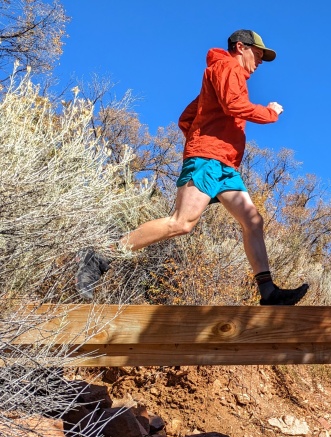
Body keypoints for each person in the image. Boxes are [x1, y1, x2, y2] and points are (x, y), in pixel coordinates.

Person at [76, 29, 309, 306]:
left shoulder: (221, 74)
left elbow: (187, 118)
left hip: (224, 166)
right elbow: (234, 104)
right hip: (208, 160)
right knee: (182, 222)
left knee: (252, 221)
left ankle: (268, 291)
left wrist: (203, 135)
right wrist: (269, 113)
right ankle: (102, 255)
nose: (259, 61)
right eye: (258, 54)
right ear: (240, 47)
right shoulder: (227, 67)